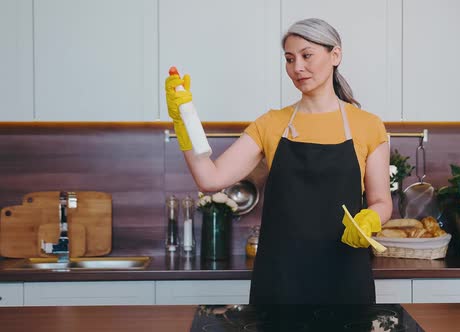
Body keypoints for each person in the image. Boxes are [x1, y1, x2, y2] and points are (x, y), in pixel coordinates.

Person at [165, 18, 392, 304]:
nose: (297, 67)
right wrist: (183, 122)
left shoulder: (368, 126)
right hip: (280, 277)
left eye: (307, 55)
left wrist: (371, 219)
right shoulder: (272, 124)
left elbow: (382, 202)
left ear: (335, 55)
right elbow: (210, 179)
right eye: (289, 59)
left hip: (345, 274)